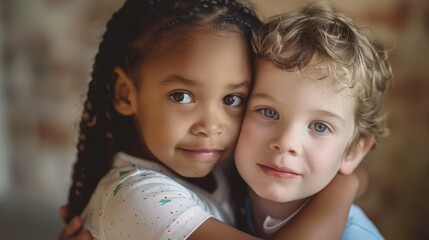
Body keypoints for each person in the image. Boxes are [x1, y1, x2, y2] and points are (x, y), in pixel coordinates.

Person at [59, 0, 366, 239]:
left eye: (232, 100)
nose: (210, 126)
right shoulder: (136, 198)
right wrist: (343, 185)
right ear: (126, 94)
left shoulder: (220, 170)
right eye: (181, 96)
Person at [234, 2, 392, 239]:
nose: (286, 142)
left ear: (353, 153)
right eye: (268, 112)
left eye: (320, 126)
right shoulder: (221, 198)